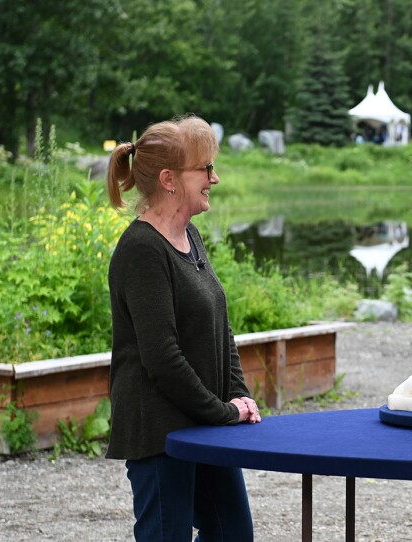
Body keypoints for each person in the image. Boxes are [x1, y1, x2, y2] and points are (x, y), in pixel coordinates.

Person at [106, 114, 261, 541]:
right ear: (169, 178)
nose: (215, 177)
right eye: (205, 169)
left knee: (233, 533)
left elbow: (220, 327)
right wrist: (223, 412)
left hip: (205, 424)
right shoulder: (141, 249)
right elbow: (162, 357)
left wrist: (238, 394)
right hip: (161, 433)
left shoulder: (189, 234)